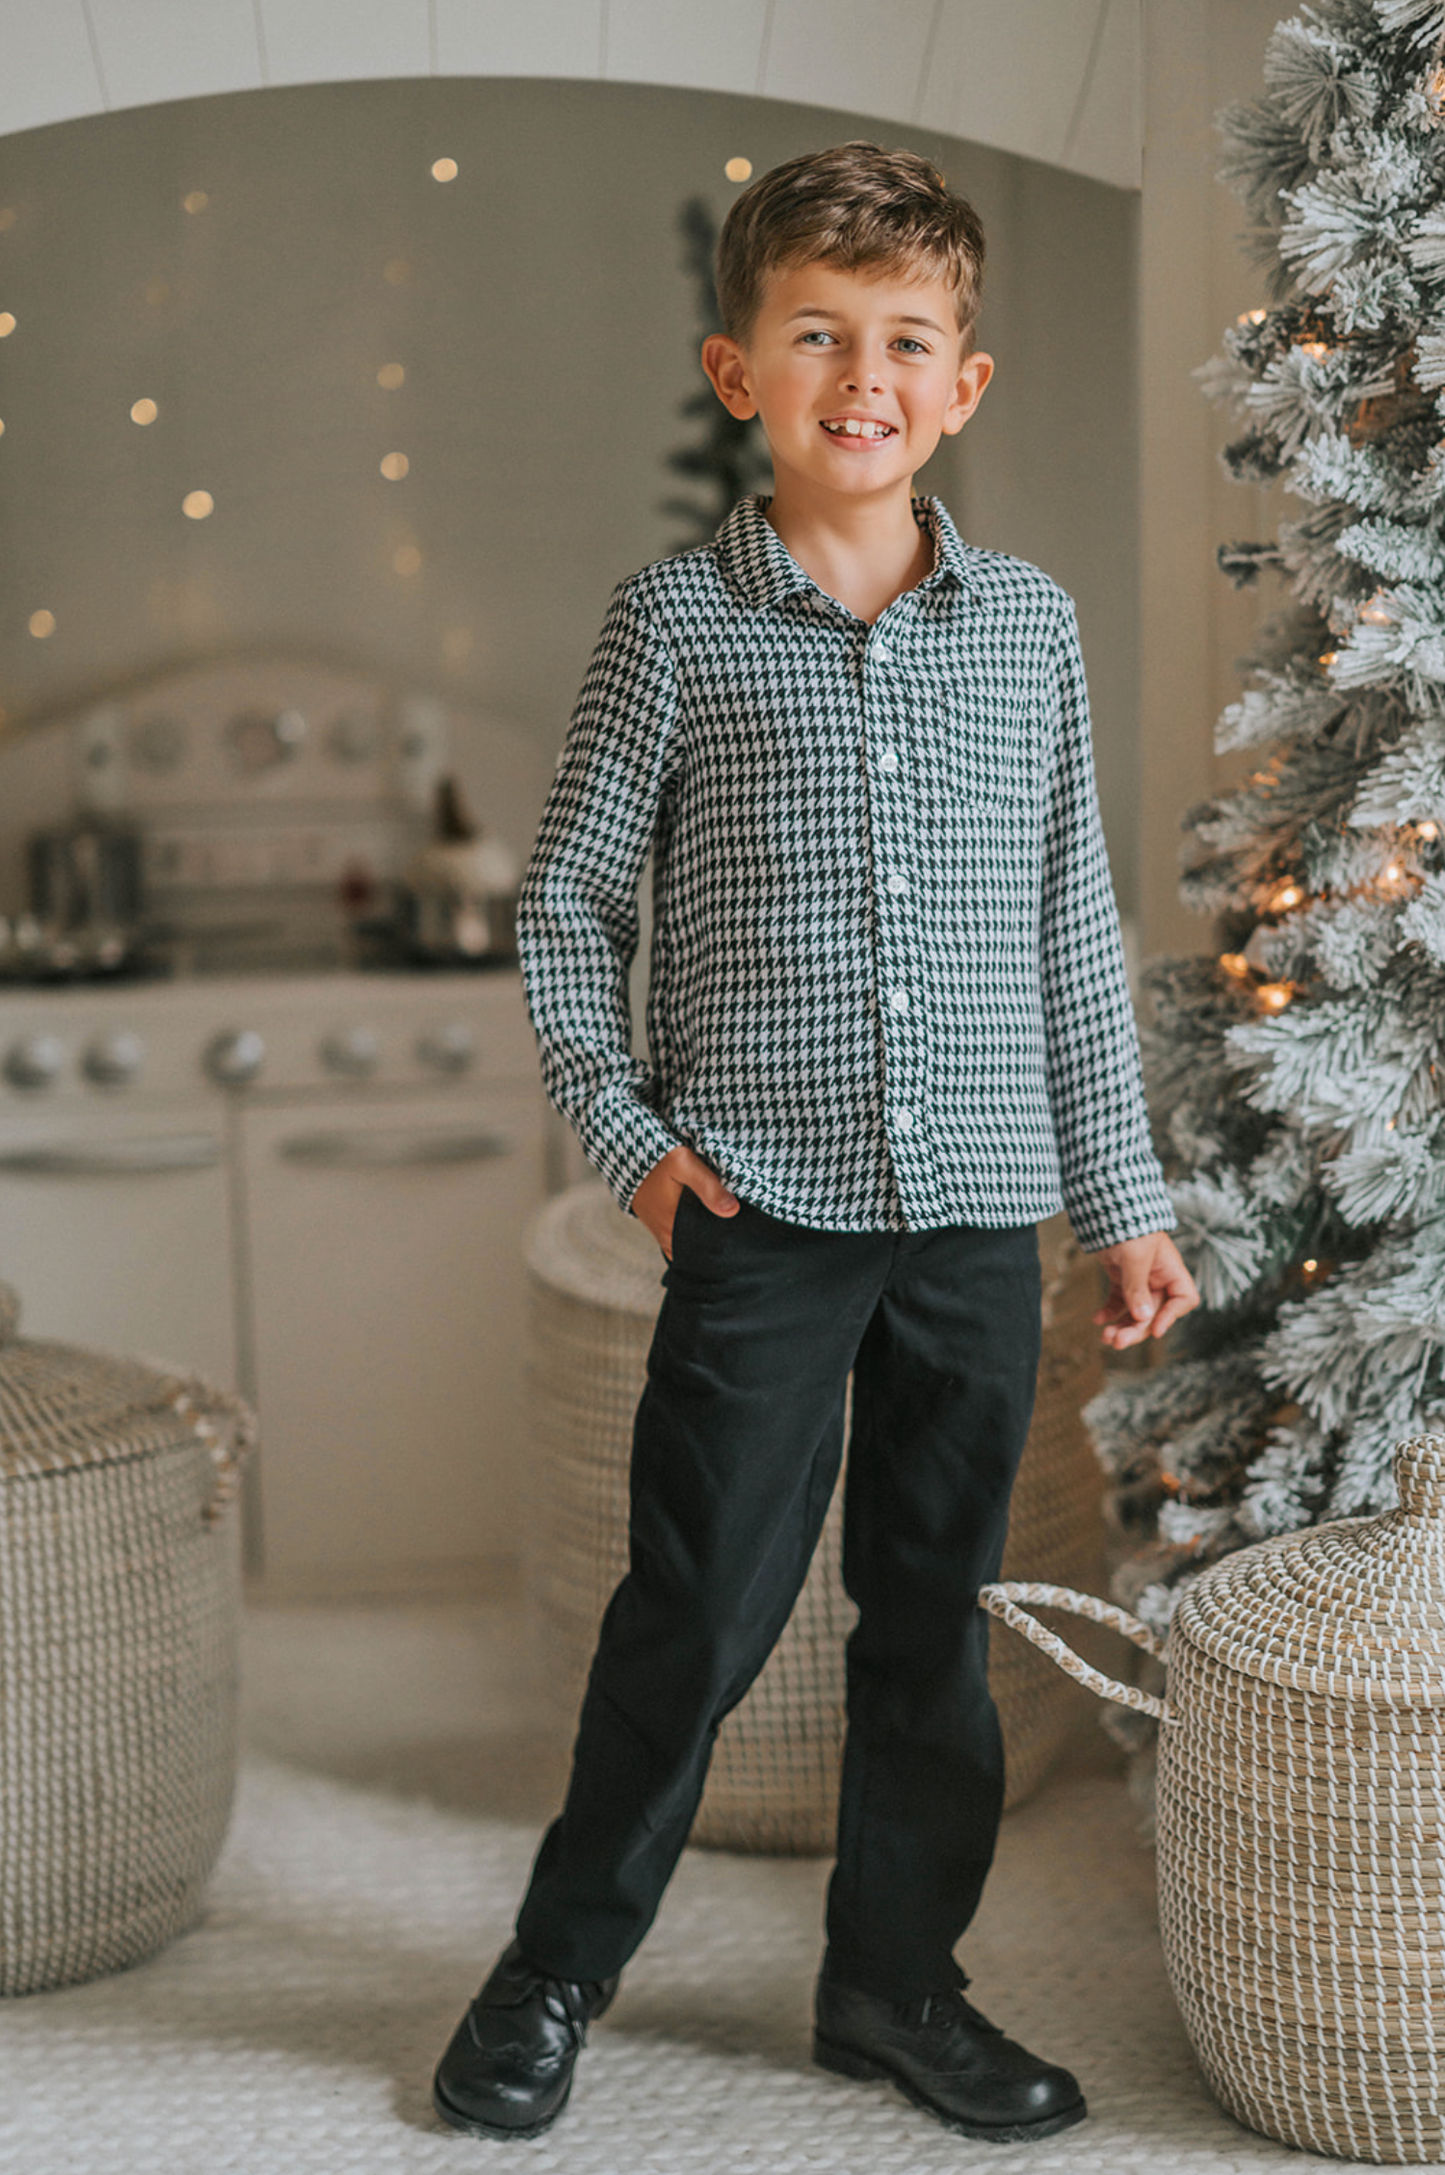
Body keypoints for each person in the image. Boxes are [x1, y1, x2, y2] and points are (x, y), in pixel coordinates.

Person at [432, 140, 1199, 2147]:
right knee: (688, 1611)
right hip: (757, 1220)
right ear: (736, 368)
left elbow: (1064, 924)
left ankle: (890, 1987)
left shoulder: (1024, 632)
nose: (860, 373)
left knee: (929, 1625)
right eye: (816, 336)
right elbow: (568, 901)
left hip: (973, 1230)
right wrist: (625, 1138)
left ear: (963, 383)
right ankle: (551, 1971)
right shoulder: (674, 624)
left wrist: (1113, 1199)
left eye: (904, 340)